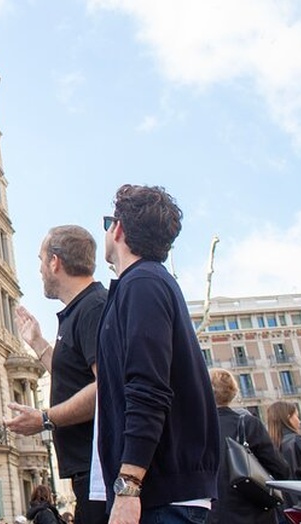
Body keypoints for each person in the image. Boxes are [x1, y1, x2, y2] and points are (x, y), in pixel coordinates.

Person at [95, 184, 219, 524]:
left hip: (160, 499)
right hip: (162, 497)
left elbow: (148, 389)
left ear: (118, 228)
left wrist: (129, 486)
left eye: (108, 221)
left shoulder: (143, 285)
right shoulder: (145, 284)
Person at [3, 225, 108, 524]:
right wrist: (38, 343)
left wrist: (44, 419)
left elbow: (107, 388)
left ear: (55, 262)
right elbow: (75, 379)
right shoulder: (80, 310)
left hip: (99, 468)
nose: (38, 270)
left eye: (40, 260)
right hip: (88, 470)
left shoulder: (93, 308)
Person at [206, 369, 289, 524]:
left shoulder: (198, 429)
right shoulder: (248, 424)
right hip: (254, 513)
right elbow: (280, 469)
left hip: (213, 515)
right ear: (233, 391)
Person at [267, 401, 301, 504]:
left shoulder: (270, 447)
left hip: (285, 506)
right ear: (288, 417)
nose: (299, 421)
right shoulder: (297, 440)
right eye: (297, 416)